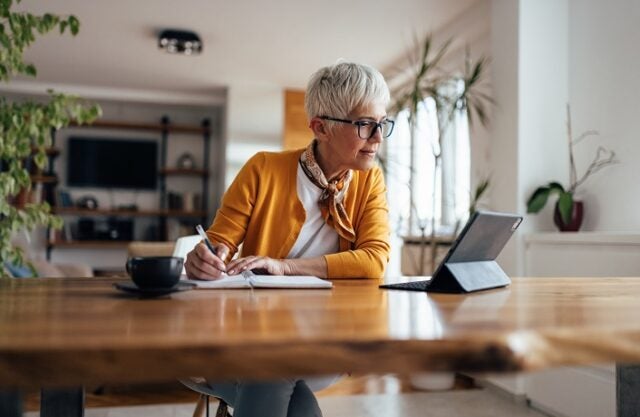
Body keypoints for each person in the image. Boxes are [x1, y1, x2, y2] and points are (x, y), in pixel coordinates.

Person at [184, 61, 393, 417]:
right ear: (320, 127)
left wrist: (285, 267)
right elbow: (217, 244)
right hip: (250, 335)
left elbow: (374, 260)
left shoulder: (369, 181)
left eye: (382, 123)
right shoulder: (262, 169)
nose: (377, 138)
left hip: (327, 338)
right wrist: (203, 258)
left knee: (273, 366)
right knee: (278, 371)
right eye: (364, 124)